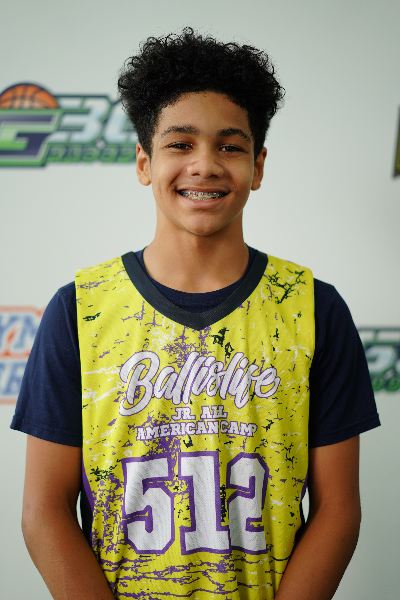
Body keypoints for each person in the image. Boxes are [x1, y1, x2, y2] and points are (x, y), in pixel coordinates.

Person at [11, 28, 380, 600]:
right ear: (144, 162)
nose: (204, 165)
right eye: (180, 144)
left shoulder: (312, 306)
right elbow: (44, 510)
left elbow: (339, 510)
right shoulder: (79, 308)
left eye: (230, 147)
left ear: (258, 166)